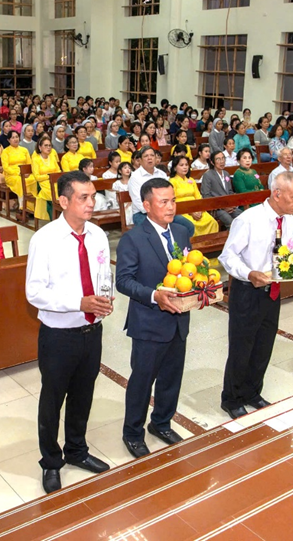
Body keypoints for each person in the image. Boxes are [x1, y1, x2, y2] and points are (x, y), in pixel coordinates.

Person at [25, 171, 113, 494]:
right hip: (59, 335)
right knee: (53, 399)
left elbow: (103, 275)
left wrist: (106, 298)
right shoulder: (45, 239)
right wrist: (78, 302)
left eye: (93, 196)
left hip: (92, 330)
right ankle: (51, 461)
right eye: (83, 197)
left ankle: (77, 449)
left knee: (83, 394)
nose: (91, 203)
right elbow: (34, 293)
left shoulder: (98, 235)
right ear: (63, 201)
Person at [218, 172, 293, 418]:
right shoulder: (249, 219)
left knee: (264, 344)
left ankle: (252, 392)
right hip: (248, 290)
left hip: (273, 290)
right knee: (242, 346)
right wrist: (249, 273)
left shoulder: (288, 219)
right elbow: (228, 256)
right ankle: (232, 398)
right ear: (277, 194)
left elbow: (287, 250)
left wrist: (292, 266)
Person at [116, 177, 192, 458]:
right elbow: (123, 281)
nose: (170, 207)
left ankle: (161, 422)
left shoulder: (181, 232)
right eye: (163, 202)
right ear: (147, 206)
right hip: (148, 322)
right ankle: (133, 433)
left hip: (178, 320)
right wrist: (153, 295)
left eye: (173, 201)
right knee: (142, 381)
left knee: (172, 377)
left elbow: (188, 271)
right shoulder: (133, 239)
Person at [128, 147, 195, 237]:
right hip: (143, 214)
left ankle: (179, 246)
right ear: (140, 160)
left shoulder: (161, 174)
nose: (149, 158)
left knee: (188, 227)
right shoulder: (135, 177)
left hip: (164, 210)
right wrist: (158, 213)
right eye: (146, 156)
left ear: (156, 158)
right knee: (156, 233)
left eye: (152, 155)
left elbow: (170, 194)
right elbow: (139, 203)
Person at [169, 156, 219, 236]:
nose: (185, 167)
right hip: (182, 211)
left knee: (212, 222)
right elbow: (173, 200)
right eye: (181, 165)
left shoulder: (191, 180)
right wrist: (191, 212)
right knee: (191, 225)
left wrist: (199, 210)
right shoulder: (172, 182)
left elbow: (198, 197)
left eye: (186, 165)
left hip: (197, 209)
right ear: (175, 168)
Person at [200, 150, 244, 228]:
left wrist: (232, 204)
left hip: (229, 206)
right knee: (230, 221)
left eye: (223, 158)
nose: (222, 161)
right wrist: (222, 206)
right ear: (212, 162)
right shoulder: (207, 175)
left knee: (243, 216)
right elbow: (206, 196)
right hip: (216, 209)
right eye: (218, 159)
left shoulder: (226, 174)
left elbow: (230, 191)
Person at [2, 130, 33, 208]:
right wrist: (18, 173)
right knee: (20, 181)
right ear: (8, 140)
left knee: (34, 179)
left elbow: (29, 164)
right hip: (11, 175)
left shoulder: (24, 150)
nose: (15, 139)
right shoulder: (5, 151)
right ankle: (22, 207)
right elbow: (5, 167)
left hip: (25, 174)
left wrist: (27, 173)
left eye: (16, 137)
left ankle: (32, 206)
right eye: (13, 138)